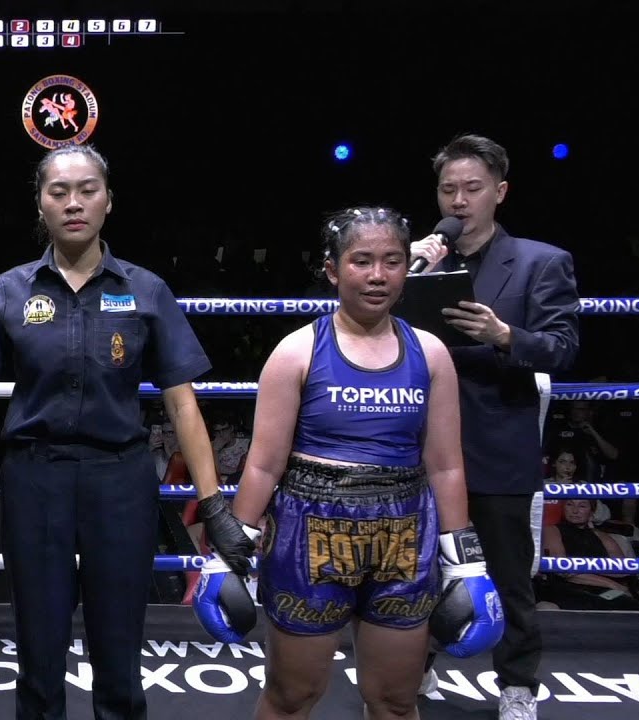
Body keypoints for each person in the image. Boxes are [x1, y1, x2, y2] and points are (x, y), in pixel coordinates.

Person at [0, 144, 247, 720]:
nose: (73, 203)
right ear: (40, 203)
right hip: (35, 478)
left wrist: (213, 505)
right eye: (58, 191)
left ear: (108, 201)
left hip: (121, 480)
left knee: (119, 651)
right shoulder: (10, 288)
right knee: (38, 652)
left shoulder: (146, 289)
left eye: (87, 190)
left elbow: (183, 404)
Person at [194, 207, 503, 719]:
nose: (378, 275)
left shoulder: (430, 353)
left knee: (396, 701)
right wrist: (230, 555)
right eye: (362, 261)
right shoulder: (297, 351)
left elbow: (446, 465)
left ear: (406, 268)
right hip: (309, 534)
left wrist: (466, 562)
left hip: (404, 536)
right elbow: (264, 465)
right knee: (291, 697)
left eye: (392, 261)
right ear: (333, 270)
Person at [410, 134, 580, 718]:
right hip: (419, 442)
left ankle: (517, 686)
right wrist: (406, 273)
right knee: (414, 570)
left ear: (499, 192)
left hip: (497, 441)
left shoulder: (541, 262)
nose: (458, 200)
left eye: (472, 188)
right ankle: (414, 667)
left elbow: (562, 348)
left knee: (508, 575)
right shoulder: (418, 260)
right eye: (448, 189)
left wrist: (504, 336)